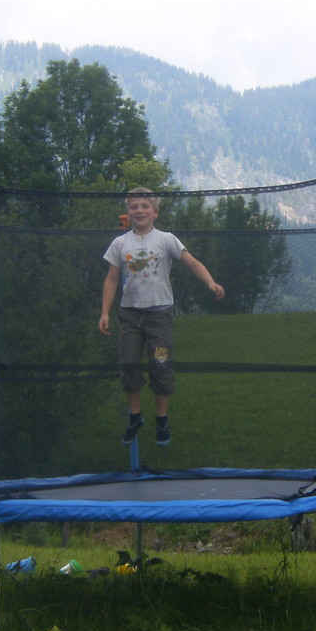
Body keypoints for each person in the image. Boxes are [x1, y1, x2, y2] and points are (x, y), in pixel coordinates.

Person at [99, 188, 225, 445]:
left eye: (145, 206)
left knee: (161, 365)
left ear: (155, 212)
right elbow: (111, 279)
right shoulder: (120, 244)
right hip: (130, 317)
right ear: (128, 212)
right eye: (134, 207)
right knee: (129, 365)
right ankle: (135, 416)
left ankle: (161, 420)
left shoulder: (166, 239)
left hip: (159, 316)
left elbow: (192, 262)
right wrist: (104, 312)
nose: (139, 211)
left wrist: (210, 283)